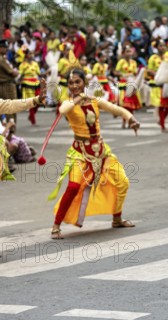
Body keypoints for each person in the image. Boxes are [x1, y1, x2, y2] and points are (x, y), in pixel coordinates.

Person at [48, 68, 140, 240]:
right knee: (73, 187)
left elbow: (116, 109)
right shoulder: (68, 102)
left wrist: (131, 118)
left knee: (122, 182)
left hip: (101, 151)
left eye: (78, 82)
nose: (74, 85)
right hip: (80, 153)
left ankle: (117, 218)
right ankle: (56, 225)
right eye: (71, 83)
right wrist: (78, 98)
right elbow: (63, 110)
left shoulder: (95, 101)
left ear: (84, 83)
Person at [113, 45, 142, 125]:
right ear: (124, 53)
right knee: (125, 105)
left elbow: (135, 73)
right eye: (127, 51)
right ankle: (123, 121)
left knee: (131, 105)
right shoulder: (121, 62)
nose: (129, 53)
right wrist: (122, 74)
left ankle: (130, 121)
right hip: (123, 84)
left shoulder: (134, 62)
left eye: (130, 51)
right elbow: (116, 72)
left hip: (131, 83)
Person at [18, 48, 41, 125]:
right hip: (27, 83)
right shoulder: (22, 65)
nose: (31, 55)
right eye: (30, 54)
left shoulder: (35, 64)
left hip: (35, 83)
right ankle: (33, 119)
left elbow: (39, 74)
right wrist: (19, 82)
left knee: (39, 101)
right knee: (31, 102)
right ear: (26, 55)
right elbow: (20, 75)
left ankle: (31, 116)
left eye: (32, 53)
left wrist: (48, 73)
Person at [0, 39, 19, 122]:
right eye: (4, 47)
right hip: (7, 85)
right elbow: (13, 73)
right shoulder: (1, 59)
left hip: (4, 85)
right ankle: (11, 129)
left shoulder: (3, 58)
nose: (6, 49)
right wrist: (17, 72)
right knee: (11, 108)